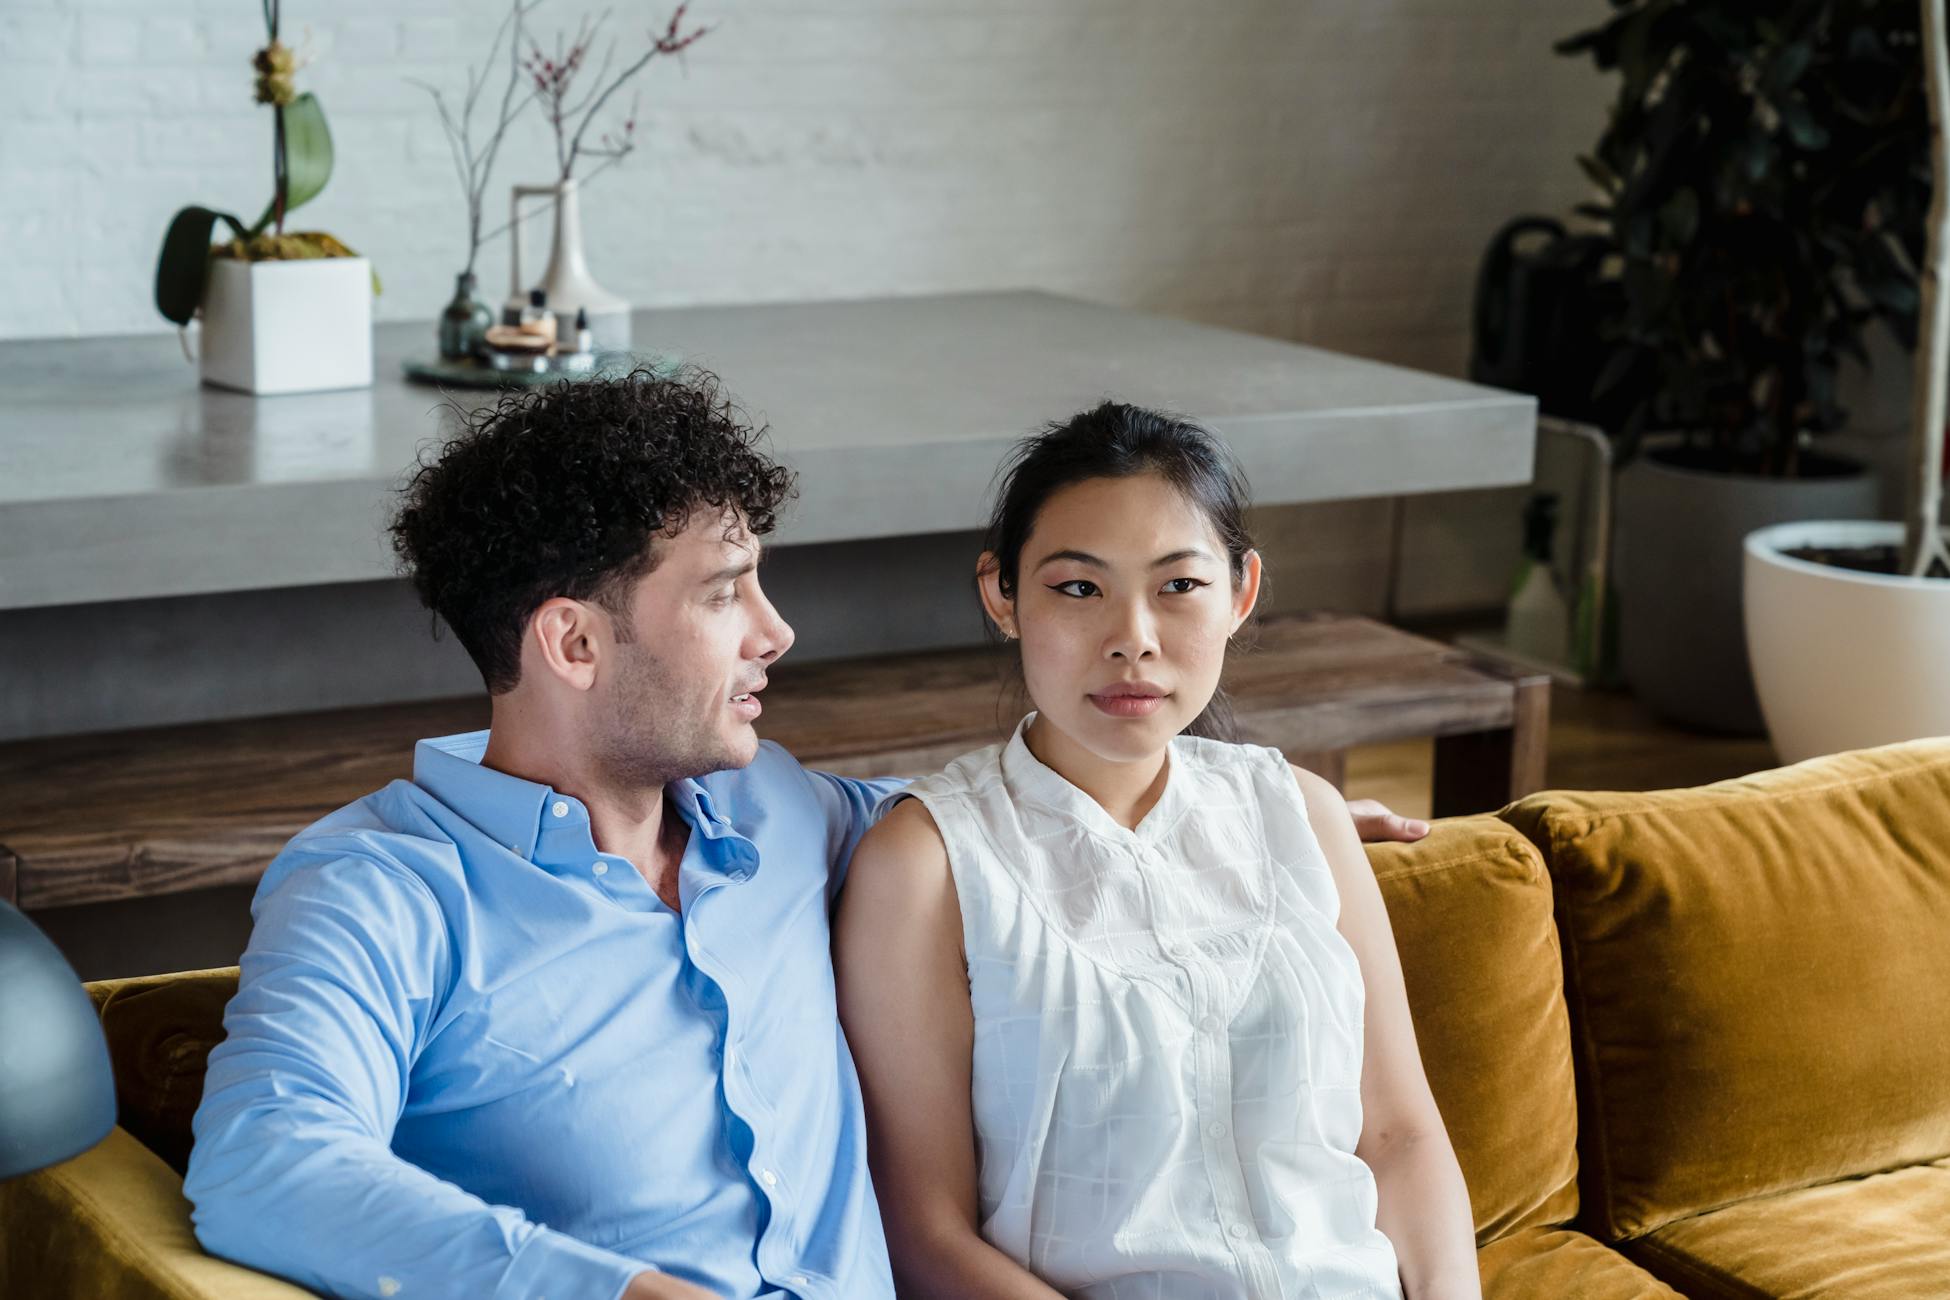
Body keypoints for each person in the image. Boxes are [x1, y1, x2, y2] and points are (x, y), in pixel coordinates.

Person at [183, 370, 1432, 1300]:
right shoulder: (378, 888)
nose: (775, 633)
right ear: (572, 641)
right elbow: (263, 1162)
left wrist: (1237, 829)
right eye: (726, 593)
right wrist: (617, 1295)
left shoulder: (776, 813)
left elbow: (995, 819)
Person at [834, 402, 1479, 1300]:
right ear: (1001, 595)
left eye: (1178, 585)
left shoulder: (1304, 814)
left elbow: (1400, 1135)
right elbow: (923, 1234)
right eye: (1078, 588)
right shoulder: (926, 865)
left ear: (1242, 593)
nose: (1132, 638)